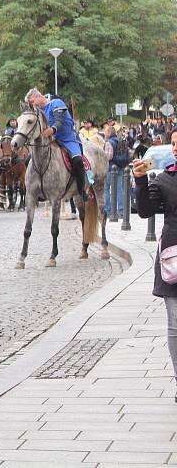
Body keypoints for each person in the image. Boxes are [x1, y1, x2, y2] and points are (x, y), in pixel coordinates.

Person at [133, 131, 177, 402]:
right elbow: (146, 211)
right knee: (175, 324)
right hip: (174, 256)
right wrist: (139, 182)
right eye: (174, 143)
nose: (176, 147)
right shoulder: (164, 178)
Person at [25, 88, 89, 202]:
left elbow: (59, 121)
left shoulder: (56, 103)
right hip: (51, 141)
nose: (32, 105)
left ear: (38, 97)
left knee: (77, 160)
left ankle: (81, 190)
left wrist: (52, 130)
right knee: (30, 161)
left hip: (67, 139)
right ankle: (40, 189)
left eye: (32, 102)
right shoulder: (37, 110)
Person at [102, 123, 128, 215]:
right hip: (120, 167)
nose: (104, 134)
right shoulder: (119, 141)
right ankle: (121, 211)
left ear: (109, 132)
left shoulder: (109, 142)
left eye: (105, 132)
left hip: (110, 169)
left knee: (106, 189)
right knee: (119, 189)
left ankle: (108, 211)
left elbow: (108, 157)